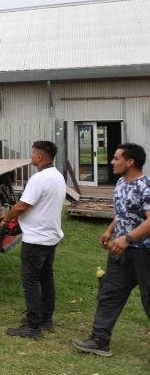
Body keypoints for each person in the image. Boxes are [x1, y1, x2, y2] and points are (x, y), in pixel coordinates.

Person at [71, 143, 150, 357]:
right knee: (109, 294)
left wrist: (128, 238)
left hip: (144, 253)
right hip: (120, 251)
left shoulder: (146, 186)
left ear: (130, 162)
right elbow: (122, 211)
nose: (112, 162)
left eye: (116, 158)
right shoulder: (121, 183)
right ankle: (99, 341)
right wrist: (109, 231)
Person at [2, 140, 66, 339]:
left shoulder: (39, 179)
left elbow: (22, 206)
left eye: (32, 153)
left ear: (39, 157)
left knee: (30, 281)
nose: (31, 156)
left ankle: (33, 326)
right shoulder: (57, 176)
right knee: (46, 278)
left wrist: (6, 218)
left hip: (36, 239)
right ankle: (45, 319)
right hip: (50, 236)